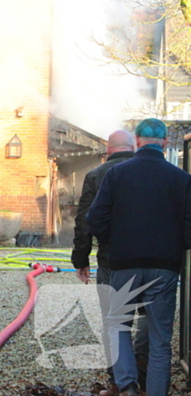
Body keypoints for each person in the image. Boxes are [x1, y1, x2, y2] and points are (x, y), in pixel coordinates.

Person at [88, 118, 191, 396]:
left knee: (118, 325)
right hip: (165, 268)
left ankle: (127, 386)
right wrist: (173, 246)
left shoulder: (117, 174)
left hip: (124, 265)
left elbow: (95, 218)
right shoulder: (182, 179)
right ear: (166, 143)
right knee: (160, 338)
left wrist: (117, 240)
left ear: (136, 141)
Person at [71, 130, 148, 396]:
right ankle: (145, 373)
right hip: (153, 259)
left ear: (108, 149)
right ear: (134, 146)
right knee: (151, 318)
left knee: (115, 322)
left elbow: (85, 221)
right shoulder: (150, 171)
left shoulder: (96, 175)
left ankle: (121, 382)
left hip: (112, 261)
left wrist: (81, 258)